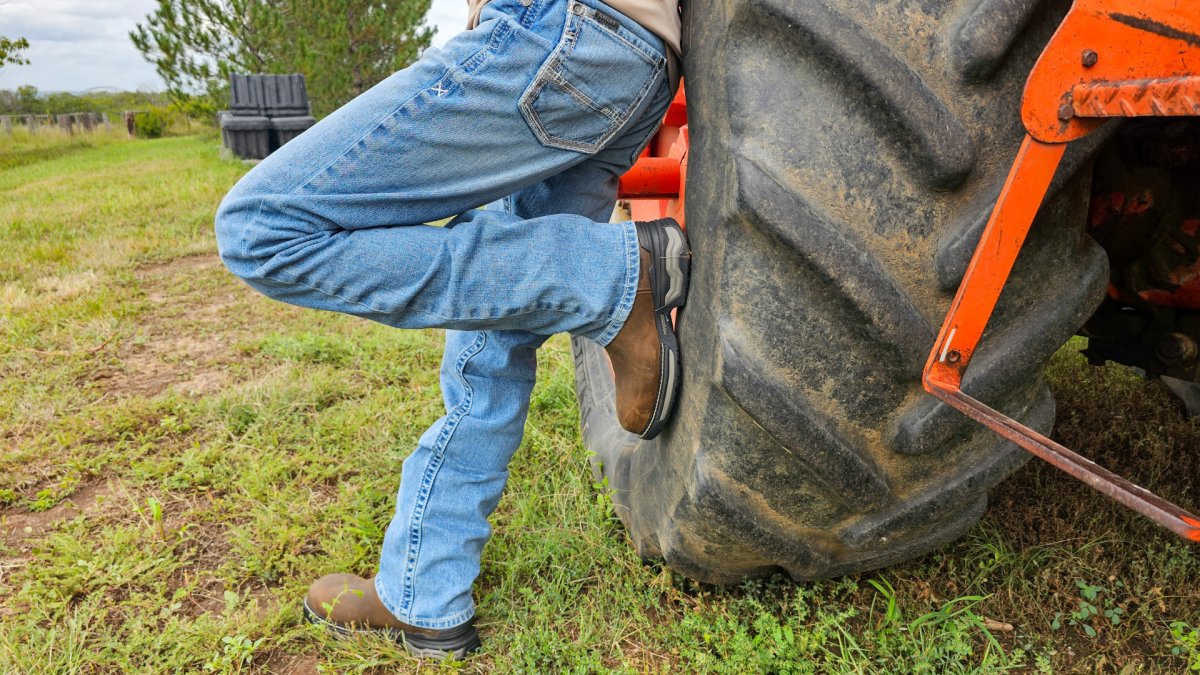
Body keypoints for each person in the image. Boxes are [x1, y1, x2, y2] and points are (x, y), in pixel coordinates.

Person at [213, 0, 686, 659]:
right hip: (639, 65)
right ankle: (425, 591)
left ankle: (610, 278)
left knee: (262, 228)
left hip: (559, 35)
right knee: (494, 327)